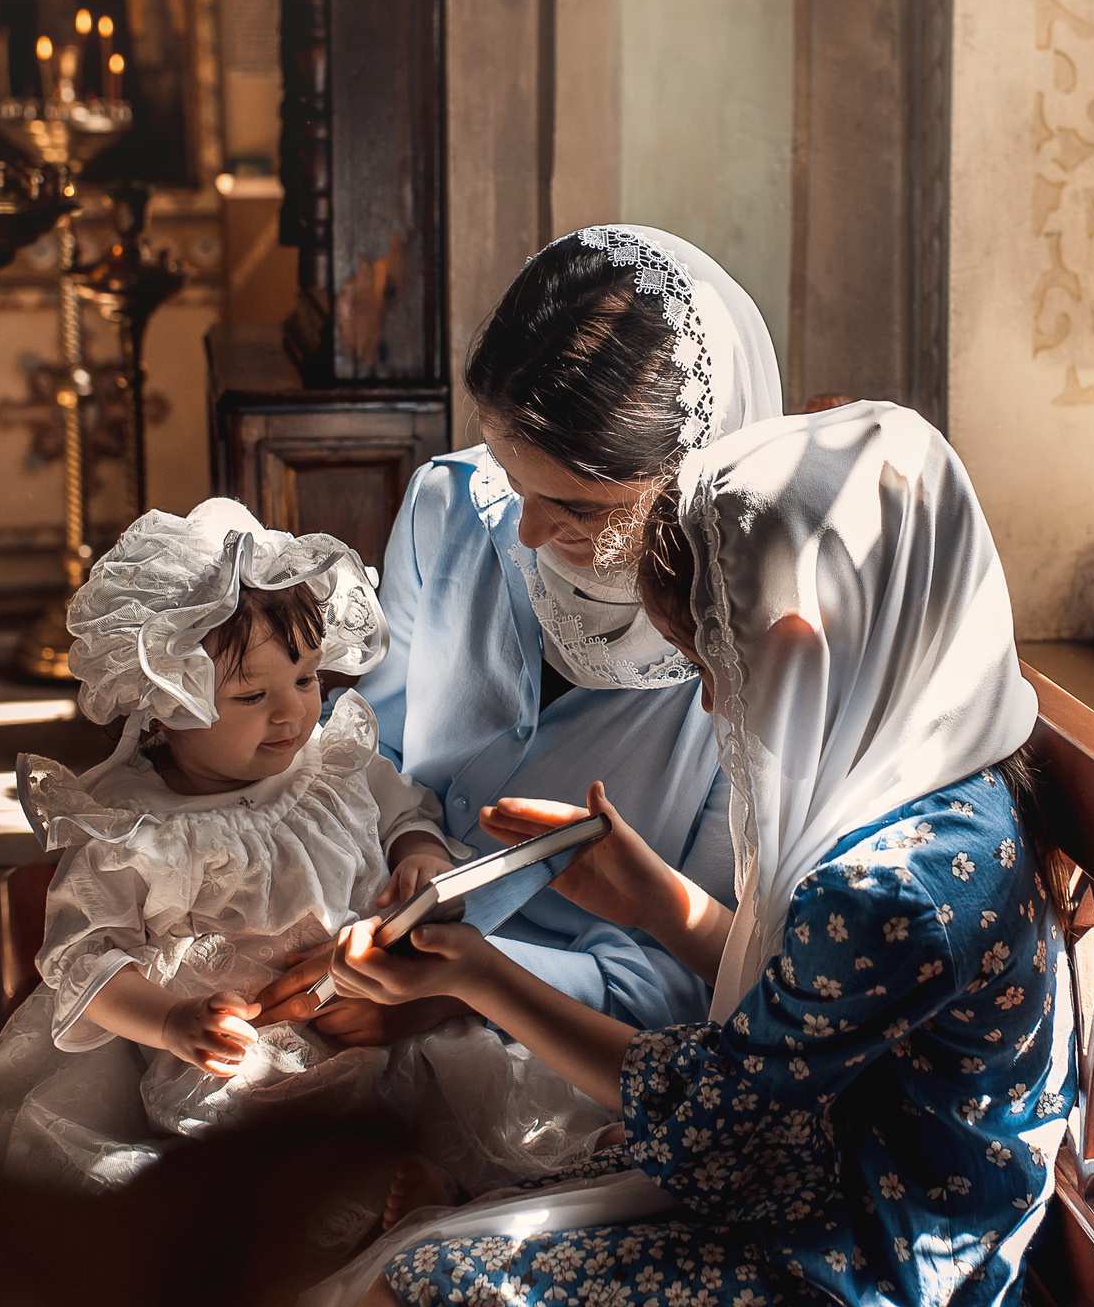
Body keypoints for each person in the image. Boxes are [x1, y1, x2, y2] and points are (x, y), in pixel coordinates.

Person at [284, 402, 1080, 1307]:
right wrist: (660, 901)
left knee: (414, 1305)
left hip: (867, 1297)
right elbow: (807, 1021)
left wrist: (476, 975)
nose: (709, 703)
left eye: (711, 665)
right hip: (865, 1208)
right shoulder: (941, 776)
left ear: (798, 649)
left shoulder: (892, 891)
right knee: (466, 1205)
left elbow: (713, 1126)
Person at [0, 498, 606, 1203]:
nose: (292, 711)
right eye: (250, 695)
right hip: (238, 1052)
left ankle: (420, 1180)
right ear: (166, 704)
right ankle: (357, 1200)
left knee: (462, 1085)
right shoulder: (132, 826)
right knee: (249, 1151)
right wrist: (169, 1019)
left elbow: (402, 808)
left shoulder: (330, 762)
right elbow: (87, 960)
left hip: (378, 1018)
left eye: (305, 678)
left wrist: (420, 854)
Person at [273, 225, 782, 1047]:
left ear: (686, 477)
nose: (531, 531)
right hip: (358, 929)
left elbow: (699, 971)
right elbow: (368, 746)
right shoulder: (448, 507)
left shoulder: (752, 656)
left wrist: (465, 987)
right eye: (514, 480)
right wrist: (414, 843)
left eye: (579, 507)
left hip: (570, 1041)